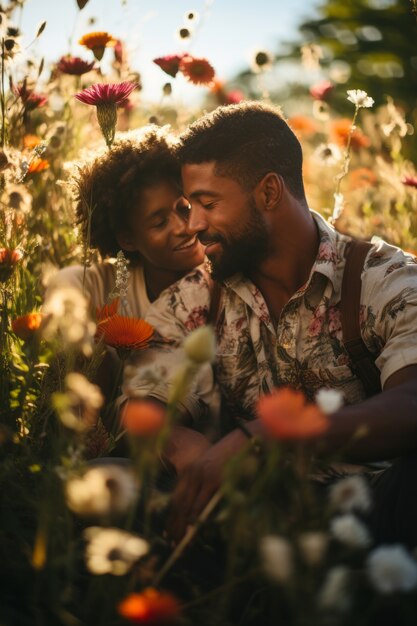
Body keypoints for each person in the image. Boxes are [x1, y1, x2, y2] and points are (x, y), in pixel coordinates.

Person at [122, 102, 417, 544]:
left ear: (269, 193)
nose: (193, 225)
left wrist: (270, 438)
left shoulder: (386, 279)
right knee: (111, 480)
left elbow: (411, 401)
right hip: (246, 516)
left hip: (374, 515)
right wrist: (186, 449)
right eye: (188, 205)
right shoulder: (196, 299)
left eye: (207, 203)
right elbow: (141, 409)